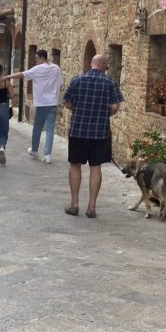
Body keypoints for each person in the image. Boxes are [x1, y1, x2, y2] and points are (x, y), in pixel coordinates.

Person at [62, 54, 122, 218]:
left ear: (91, 64)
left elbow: (67, 102)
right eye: (107, 65)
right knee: (95, 168)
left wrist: (79, 110)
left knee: (75, 165)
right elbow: (115, 107)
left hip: (78, 131)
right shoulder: (110, 83)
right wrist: (103, 114)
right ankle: (91, 207)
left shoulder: (77, 80)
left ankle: (74, 204)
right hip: (99, 133)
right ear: (104, 65)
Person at [3, 49, 61, 164]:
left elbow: (21, 74)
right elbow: (61, 84)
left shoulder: (37, 69)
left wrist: (6, 77)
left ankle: (34, 150)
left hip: (41, 103)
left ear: (41, 57)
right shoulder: (56, 69)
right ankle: (48, 155)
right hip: (53, 103)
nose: (35, 61)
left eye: (36, 58)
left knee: (37, 128)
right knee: (50, 129)